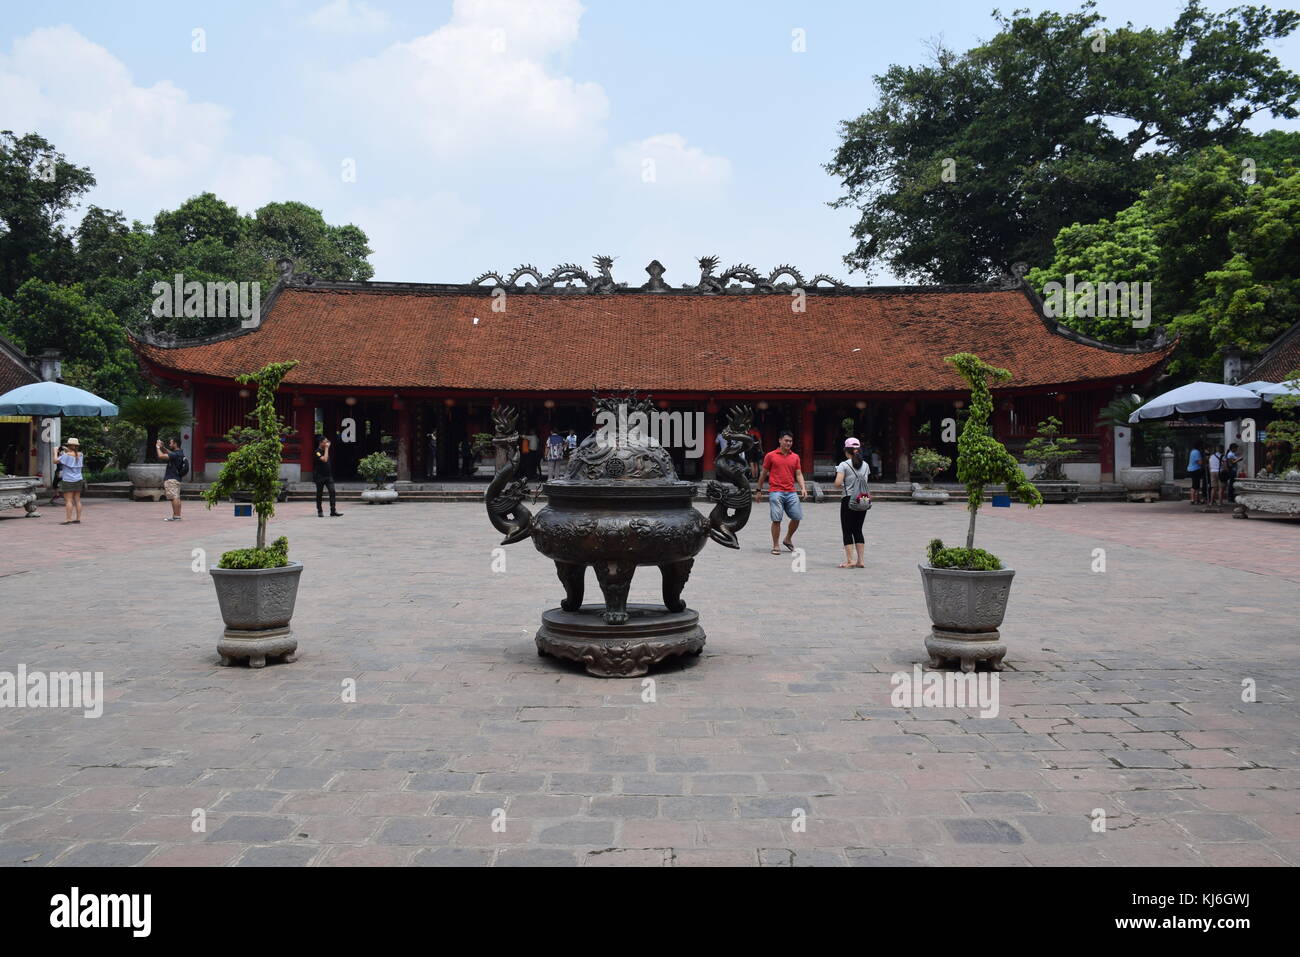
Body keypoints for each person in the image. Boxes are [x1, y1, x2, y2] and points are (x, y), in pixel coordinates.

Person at [755, 430, 807, 555]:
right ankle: (776, 545)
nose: (788, 443)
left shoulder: (795, 457)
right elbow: (763, 473)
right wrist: (758, 490)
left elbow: (798, 474)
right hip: (776, 491)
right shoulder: (771, 455)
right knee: (777, 519)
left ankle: (788, 538)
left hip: (791, 491)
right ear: (780, 440)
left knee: (797, 517)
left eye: (790, 441)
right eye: (786, 441)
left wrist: (803, 488)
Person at [834, 437, 871, 568]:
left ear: (846, 450)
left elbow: (837, 484)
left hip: (849, 499)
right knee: (858, 530)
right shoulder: (866, 465)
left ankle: (850, 561)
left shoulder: (844, 465)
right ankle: (861, 560)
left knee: (847, 530)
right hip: (863, 499)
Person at [55, 438, 84, 524]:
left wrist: (55, 452)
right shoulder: (80, 455)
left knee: (68, 500)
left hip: (68, 480)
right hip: (78, 479)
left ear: (69, 445)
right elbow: (73, 454)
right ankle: (78, 518)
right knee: (77, 500)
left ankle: (68, 518)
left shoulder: (66, 455)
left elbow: (55, 461)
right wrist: (66, 450)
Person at [314, 436, 342, 517]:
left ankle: (333, 511)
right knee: (319, 494)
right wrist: (326, 448)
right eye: (325, 442)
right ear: (321, 443)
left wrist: (326, 449)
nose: (327, 443)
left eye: (327, 442)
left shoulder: (326, 450)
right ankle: (320, 511)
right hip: (319, 476)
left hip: (328, 476)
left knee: (332, 491)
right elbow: (325, 459)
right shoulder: (317, 452)